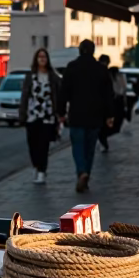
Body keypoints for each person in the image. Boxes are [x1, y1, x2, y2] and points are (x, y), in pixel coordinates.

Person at [57, 39, 114, 192]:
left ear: (80, 50)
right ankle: (86, 173)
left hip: (76, 114)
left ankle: (81, 172)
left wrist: (61, 112)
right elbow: (108, 94)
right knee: (90, 147)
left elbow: (63, 92)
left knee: (78, 146)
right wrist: (109, 115)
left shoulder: (72, 67)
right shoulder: (101, 70)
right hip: (95, 115)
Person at [18, 47, 61, 183]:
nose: (42, 59)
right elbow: (24, 96)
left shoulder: (52, 77)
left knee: (44, 144)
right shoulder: (30, 76)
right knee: (32, 144)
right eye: (39, 57)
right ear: (36, 60)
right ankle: (36, 166)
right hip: (32, 115)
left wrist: (59, 114)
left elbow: (59, 95)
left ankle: (42, 171)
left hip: (48, 116)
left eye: (44, 57)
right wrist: (22, 113)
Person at [97, 55, 127, 151]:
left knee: (112, 124)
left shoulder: (107, 74)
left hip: (111, 102)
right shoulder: (103, 73)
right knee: (108, 123)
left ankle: (102, 137)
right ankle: (102, 137)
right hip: (109, 102)